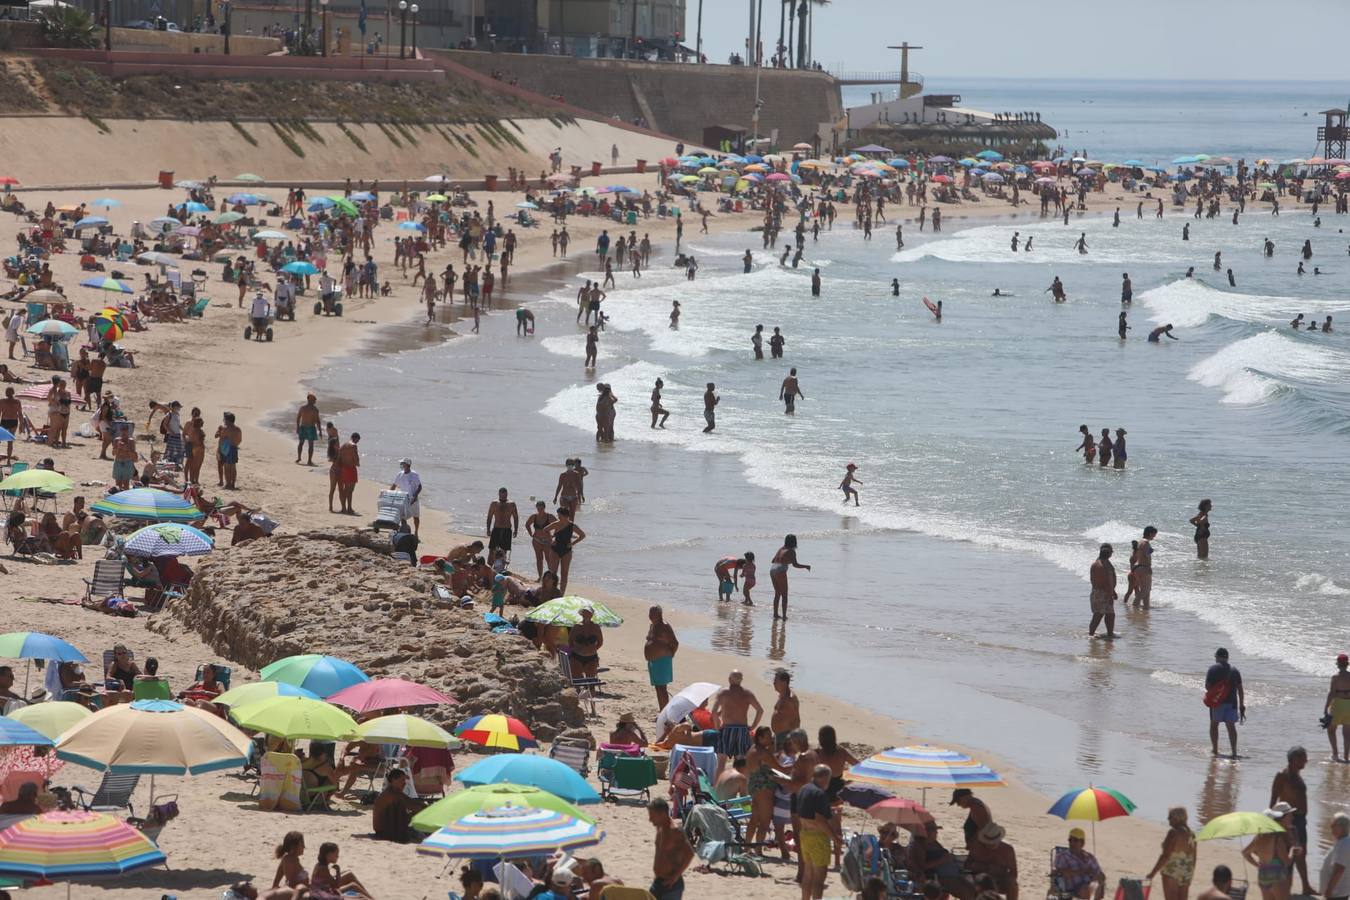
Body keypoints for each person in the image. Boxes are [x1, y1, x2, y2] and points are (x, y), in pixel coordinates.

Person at [1271, 746, 1316, 896]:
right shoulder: (1282, 776)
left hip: (1301, 820)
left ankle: (1306, 886)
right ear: (1294, 759)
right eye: (1303, 758)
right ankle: (1286, 889)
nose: (1306, 760)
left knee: (1302, 853)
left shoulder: (1297, 776)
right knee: (1290, 855)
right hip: (1290, 820)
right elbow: (1273, 800)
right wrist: (1272, 822)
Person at [797, 764, 841, 900]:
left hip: (805, 834)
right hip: (817, 836)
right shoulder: (819, 793)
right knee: (819, 878)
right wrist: (834, 838)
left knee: (808, 874)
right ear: (824, 778)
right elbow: (819, 819)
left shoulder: (804, 789)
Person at [1243, 802, 1294, 900]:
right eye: (1289, 815)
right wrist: (1293, 851)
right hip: (1277, 874)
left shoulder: (1261, 835)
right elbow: (1287, 862)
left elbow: (1246, 853)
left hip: (1263, 873)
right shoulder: (1278, 837)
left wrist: (1257, 865)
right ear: (1281, 818)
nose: (1292, 818)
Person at [711, 670, 763, 763]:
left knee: (721, 761)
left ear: (729, 679)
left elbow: (714, 712)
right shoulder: (747, 693)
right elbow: (760, 710)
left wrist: (717, 726)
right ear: (741, 680)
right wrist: (753, 726)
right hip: (742, 730)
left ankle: (719, 777)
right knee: (740, 761)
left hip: (727, 728)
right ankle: (739, 776)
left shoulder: (723, 693)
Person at [1147, 807, 1197, 900]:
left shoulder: (1173, 832)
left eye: (1170, 816)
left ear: (1177, 818)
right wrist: (1191, 874)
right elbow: (1194, 857)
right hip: (1187, 871)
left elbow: (1165, 856)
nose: (1168, 819)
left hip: (1172, 870)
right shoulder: (1192, 834)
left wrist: (1152, 874)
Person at [648, 798, 693, 900]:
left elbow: (689, 853)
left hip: (671, 885)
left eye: (652, 815)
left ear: (662, 814)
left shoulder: (675, 830)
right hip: (658, 882)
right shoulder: (659, 827)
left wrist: (675, 876)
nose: (650, 819)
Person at [1205, 647, 1245, 757]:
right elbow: (1240, 690)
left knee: (1214, 725)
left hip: (1217, 703)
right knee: (1231, 727)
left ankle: (1215, 749)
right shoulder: (1235, 670)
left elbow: (1207, 686)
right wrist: (1241, 704)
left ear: (1217, 657)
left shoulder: (1212, 669)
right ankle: (1234, 752)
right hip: (1232, 703)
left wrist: (1216, 692)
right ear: (1227, 658)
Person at [372, 769, 426, 843]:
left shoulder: (394, 791)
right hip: (385, 831)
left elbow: (410, 801)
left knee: (419, 809)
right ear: (394, 780)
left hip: (385, 829)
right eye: (402, 780)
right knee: (418, 810)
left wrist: (424, 806)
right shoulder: (391, 793)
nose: (404, 783)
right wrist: (426, 808)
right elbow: (413, 806)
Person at [540, 506, 585, 593]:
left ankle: (561, 594)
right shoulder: (556, 524)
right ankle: (551, 592)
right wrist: (550, 540)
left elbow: (582, 535)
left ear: (565, 516)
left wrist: (572, 543)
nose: (558, 517)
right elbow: (545, 530)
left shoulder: (572, 525)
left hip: (566, 551)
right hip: (555, 549)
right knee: (553, 573)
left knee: (564, 574)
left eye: (559, 515)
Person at [1053, 828, 1106, 900]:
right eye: (1070, 840)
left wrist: (1099, 876)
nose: (1072, 843)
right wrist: (1082, 872)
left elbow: (1100, 873)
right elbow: (1060, 872)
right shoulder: (1063, 855)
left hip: (1090, 884)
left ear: (1082, 843)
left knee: (1096, 883)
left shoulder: (1089, 857)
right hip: (1074, 886)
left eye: (1075, 840)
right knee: (1089, 889)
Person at [644, 604, 679, 709]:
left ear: (660, 614)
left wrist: (671, 654)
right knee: (658, 688)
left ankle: (665, 712)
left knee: (662, 688)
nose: (651, 615)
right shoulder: (652, 626)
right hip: (653, 661)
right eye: (650, 613)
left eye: (653, 613)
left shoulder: (664, 626)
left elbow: (675, 643)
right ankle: (662, 710)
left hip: (662, 660)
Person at [770, 534, 810, 620]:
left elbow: (772, 560)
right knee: (784, 595)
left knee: (777, 593)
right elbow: (795, 565)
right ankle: (784, 616)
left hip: (772, 569)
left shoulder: (781, 549)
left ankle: (775, 614)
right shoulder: (791, 551)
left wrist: (784, 560)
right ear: (794, 542)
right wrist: (806, 566)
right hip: (780, 570)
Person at [1088, 542, 1119, 639]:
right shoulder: (1104, 565)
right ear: (1109, 553)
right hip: (1104, 592)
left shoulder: (1096, 563)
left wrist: (1112, 591)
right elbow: (1107, 580)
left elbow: (1095, 580)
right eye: (1111, 551)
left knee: (1101, 614)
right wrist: (1110, 593)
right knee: (1105, 615)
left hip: (1097, 592)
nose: (1112, 553)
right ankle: (1106, 634)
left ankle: (1093, 634)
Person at [569, 605, 603, 679]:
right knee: (577, 679)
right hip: (577, 657)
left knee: (591, 681)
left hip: (592, 658)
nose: (587, 614)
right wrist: (580, 648)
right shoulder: (576, 627)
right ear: (582, 614)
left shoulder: (596, 627)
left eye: (589, 613)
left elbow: (600, 643)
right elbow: (570, 642)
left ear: (592, 615)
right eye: (585, 613)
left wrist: (591, 649)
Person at [1321, 812, 1350, 900]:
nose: (1331, 827)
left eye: (1334, 825)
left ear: (1343, 827)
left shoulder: (1344, 844)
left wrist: (1329, 890)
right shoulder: (1342, 841)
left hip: (1337, 894)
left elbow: (1339, 869)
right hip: (1337, 893)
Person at [1327, 653, 1350, 762]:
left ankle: (1335, 754)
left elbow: (1332, 693)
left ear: (1337, 664)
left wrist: (1326, 707)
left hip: (1338, 704)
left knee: (1331, 730)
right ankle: (1346, 756)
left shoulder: (1335, 677)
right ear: (1347, 664)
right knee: (1347, 733)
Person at [390, 458, 423, 535]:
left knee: (416, 516)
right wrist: (389, 494)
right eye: (401, 463)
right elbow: (394, 485)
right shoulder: (399, 474)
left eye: (403, 463)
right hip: (403, 498)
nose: (401, 465)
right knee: (403, 516)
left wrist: (415, 496)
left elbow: (420, 487)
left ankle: (416, 532)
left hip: (413, 499)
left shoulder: (414, 475)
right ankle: (405, 532)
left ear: (408, 465)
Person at [525, 501, 556, 579]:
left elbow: (558, 525)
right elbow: (527, 524)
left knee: (548, 559)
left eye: (541, 508)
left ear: (544, 507)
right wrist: (531, 534)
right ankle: (540, 577)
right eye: (538, 508)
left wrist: (554, 535)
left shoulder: (549, 516)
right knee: (539, 559)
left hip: (547, 541)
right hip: (536, 540)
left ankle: (552, 577)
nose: (540, 510)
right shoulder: (534, 516)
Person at [485, 487, 518, 560]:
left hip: (507, 529)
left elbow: (515, 517)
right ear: (499, 494)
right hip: (496, 529)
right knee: (492, 550)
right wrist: (488, 529)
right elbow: (489, 517)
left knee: (504, 551)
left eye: (504, 495)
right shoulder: (494, 503)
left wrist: (516, 530)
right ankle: (490, 567)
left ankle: (500, 568)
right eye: (501, 495)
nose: (503, 497)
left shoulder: (511, 504)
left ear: (507, 494)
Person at [216, 411, 242, 490]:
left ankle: (228, 484)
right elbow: (240, 440)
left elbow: (219, 438)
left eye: (225, 419)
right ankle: (233, 484)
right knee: (233, 467)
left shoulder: (226, 429)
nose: (224, 421)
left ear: (228, 420)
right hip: (234, 448)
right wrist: (235, 444)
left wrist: (219, 450)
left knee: (226, 467)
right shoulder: (238, 429)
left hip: (226, 449)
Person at [1131, 525, 1156, 609]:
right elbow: (1146, 555)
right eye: (1154, 534)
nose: (1155, 536)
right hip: (1144, 567)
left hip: (1138, 568)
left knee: (1145, 591)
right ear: (1150, 533)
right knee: (1145, 590)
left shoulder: (1140, 541)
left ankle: (1146, 608)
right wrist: (1149, 567)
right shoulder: (1146, 542)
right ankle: (1134, 606)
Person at [294, 394, 320, 466]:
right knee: (309, 445)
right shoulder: (314, 409)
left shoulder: (303, 408)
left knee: (301, 443)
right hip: (310, 428)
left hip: (303, 427)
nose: (315, 401)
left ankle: (301, 458)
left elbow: (298, 418)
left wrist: (298, 427)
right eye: (314, 400)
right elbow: (317, 421)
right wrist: (320, 431)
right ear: (309, 400)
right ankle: (308, 460)